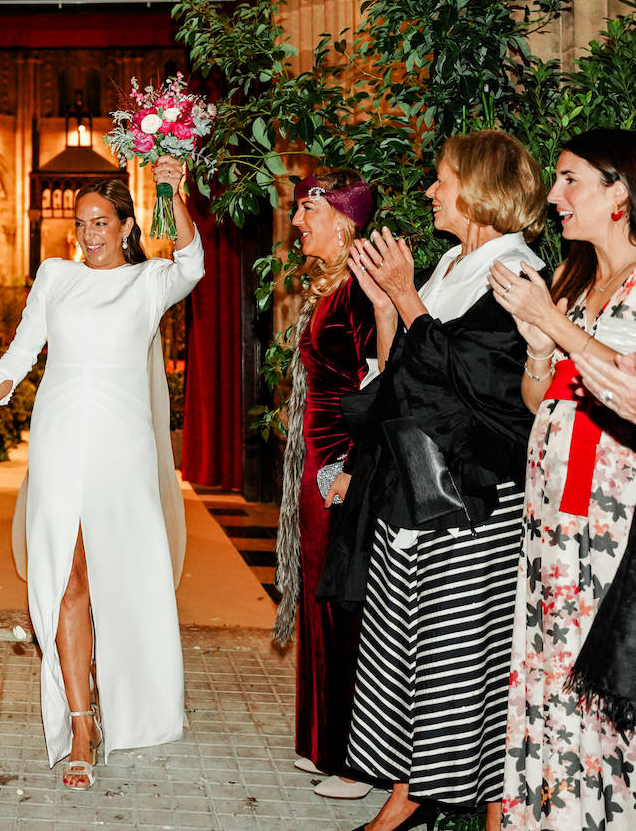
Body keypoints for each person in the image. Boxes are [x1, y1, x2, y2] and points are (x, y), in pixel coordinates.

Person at [323, 129, 546, 831]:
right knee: (404, 654)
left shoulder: (517, 275)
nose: (428, 191)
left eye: (442, 178)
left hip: (470, 503)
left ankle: (461, 808)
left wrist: (405, 300)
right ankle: (408, 794)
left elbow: (476, 387)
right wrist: (390, 309)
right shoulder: (455, 262)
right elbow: (406, 379)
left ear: (478, 187)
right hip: (413, 492)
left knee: (457, 665)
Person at [0, 155, 205, 789]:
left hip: (123, 446)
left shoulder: (151, 280)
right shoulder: (55, 276)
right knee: (66, 573)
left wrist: (169, 188)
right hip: (60, 439)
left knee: (118, 576)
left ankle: (126, 693)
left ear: (128, 226)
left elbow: (195, 264)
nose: (90, 233)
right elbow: (21, 352)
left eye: (102, 221)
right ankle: (81, 722)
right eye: (82, 223)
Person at [488, 128, 636, 830]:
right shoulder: (575, 279)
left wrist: (556, 326)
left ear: (619, 192)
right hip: (550, 517)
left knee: (599, 691)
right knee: (546, 679)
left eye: (570, 180)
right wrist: (541, 350)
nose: (554, 196)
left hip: (615, 527)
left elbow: (631, 388)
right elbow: (538, 398)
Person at [270, 171, 377, 800]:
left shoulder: (360, 292)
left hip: (338, 466)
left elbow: (382, 383)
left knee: (343, 606)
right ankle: (321, 741)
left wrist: (351, 470)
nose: (297, 222)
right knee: (318, 599)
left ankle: (357, 759)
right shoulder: (332, 288)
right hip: (316, 462)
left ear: (342, 219)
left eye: (308, 210)